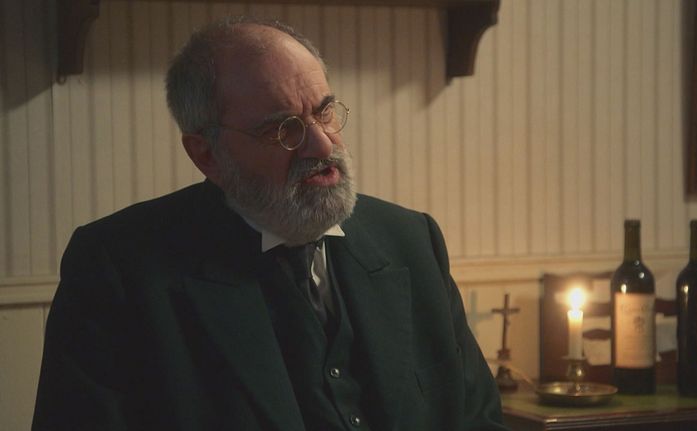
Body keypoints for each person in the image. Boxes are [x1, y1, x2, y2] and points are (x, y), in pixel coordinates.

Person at [32, 16, 509, 431]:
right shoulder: (118, 268)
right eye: (283, 129)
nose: (323, 145)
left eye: (324, 112)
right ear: (206, 154)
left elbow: (478, 419)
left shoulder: (411, 240)